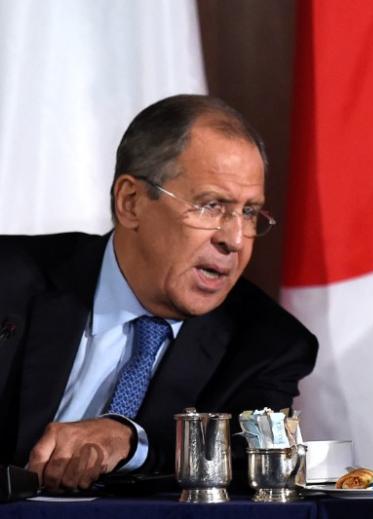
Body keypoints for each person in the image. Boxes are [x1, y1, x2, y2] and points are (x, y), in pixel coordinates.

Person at [0, 95, 318, 491]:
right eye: (211, 205)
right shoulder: (10, 282)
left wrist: (131, 441)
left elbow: (247, 455)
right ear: (131, 202)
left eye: (249, 212)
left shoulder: (269, 343)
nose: (235, 240)